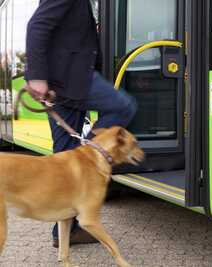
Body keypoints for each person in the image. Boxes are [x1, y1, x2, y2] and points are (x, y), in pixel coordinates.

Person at [25, 0, 137, 247]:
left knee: (64, 154)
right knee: (123, 107)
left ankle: (66, 231)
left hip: (65, 82)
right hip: (71, 77)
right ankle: (93, 148)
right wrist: (36, 76)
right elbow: (37, 25)